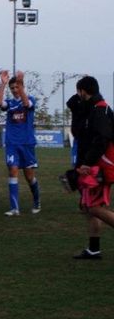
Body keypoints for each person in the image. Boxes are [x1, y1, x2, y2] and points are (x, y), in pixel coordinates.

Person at [73, 76, 114, 260]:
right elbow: (74, 106)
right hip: (97, 166)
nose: (77, 95)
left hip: (101, 167)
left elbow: (101, 140)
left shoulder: (99, 110)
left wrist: (87, 163)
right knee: (89, 207)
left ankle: (94, 249)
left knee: (94, 208)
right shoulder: (96, 108)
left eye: (78, 91)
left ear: (83, 91)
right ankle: (94, 249)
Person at [0, 70, 41, 216]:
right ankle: (15, 208)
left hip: (27, 144)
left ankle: (37, 201)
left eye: (17, 87)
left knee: (29, 177)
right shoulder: (9, 103)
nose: (15, 90)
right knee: (13, 171)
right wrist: (3, 84)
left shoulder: (31, 99)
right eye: (12, 88)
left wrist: (21, 83)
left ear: (21, 86)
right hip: (12, 144)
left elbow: (27, 104)